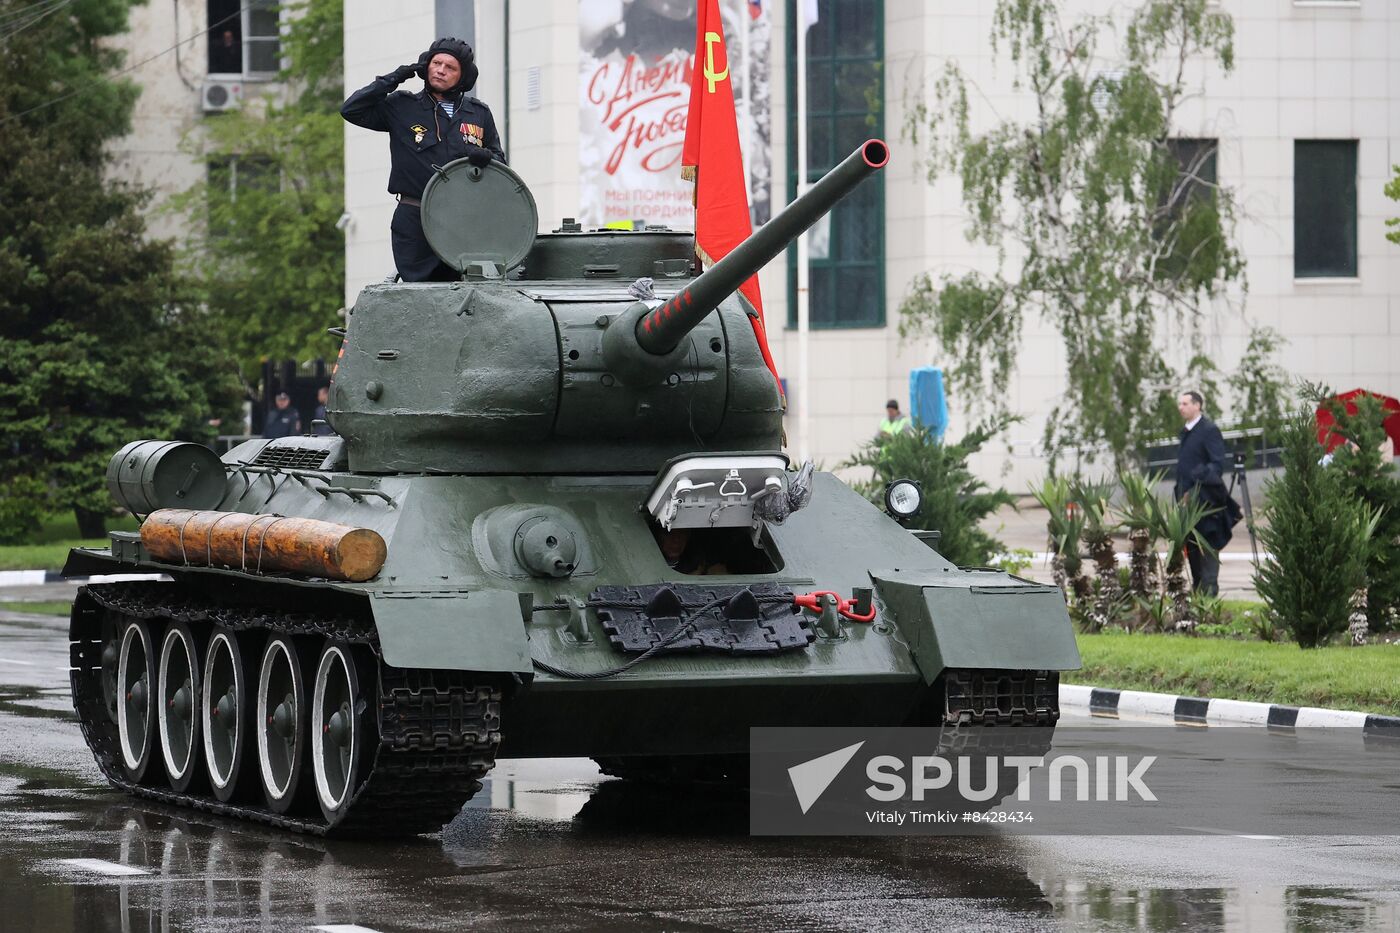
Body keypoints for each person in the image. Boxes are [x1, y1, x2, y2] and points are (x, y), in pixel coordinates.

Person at [340, 37, 506, 282]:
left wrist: (485, 158)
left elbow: (500, 164)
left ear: (463, 76)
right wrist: (397, 76)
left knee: (467, 290)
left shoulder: (478, 113)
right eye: (436, 63)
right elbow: (352, 109)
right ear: (425, 65)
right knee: (420, 293)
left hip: (464, 218)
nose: (440, 70)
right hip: (415, 216)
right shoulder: (403, 105)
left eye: (450, 67)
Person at [1173, 390, 1231, 596]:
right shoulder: (1186, 432)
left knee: (1207, 547)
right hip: (1185, 504)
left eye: (1185, 403)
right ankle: (1198, 590)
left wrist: (1195, 489)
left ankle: (1209, 592)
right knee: (1192, 549)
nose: (1181, 407)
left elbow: (1216, 465)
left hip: (1204, 503)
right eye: (1180, 404)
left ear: (1197, 405)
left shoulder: (1208, 430)